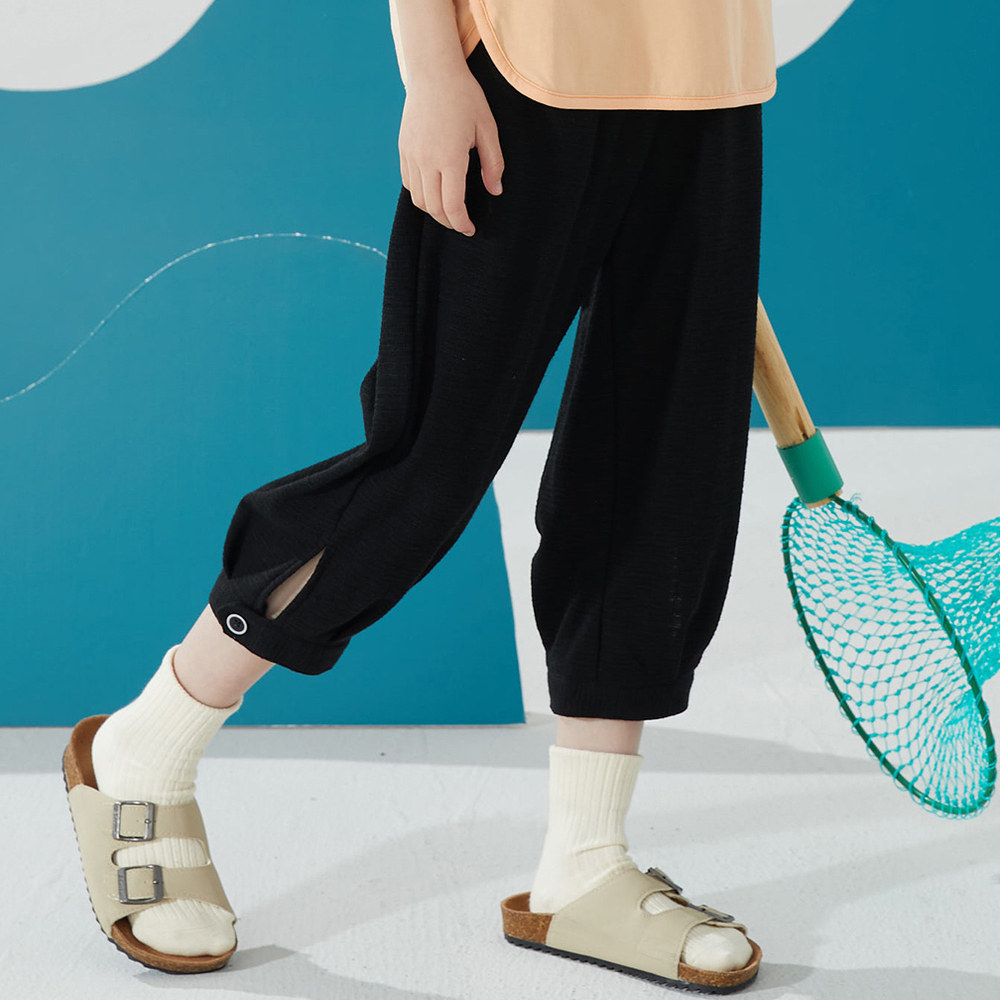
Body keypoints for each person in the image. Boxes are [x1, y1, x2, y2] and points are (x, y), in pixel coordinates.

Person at [64, 0, 775, 988]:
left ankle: (584, 862)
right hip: (522, 66)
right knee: (426, 462)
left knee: (661, 472)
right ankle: (148, 742)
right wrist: (434, 72)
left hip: (709, 71)